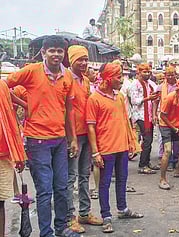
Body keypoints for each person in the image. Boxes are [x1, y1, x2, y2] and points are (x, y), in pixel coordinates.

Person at [7, 35, 80, 237]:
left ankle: (61, 228)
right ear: (43, 52)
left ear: (64, 54)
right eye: (52, 50)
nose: (56, 54)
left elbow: (69, 109)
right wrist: (24, 105)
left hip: (59, 140)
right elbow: (5, 86)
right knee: (45, 190)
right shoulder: (31, 72)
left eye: (60, 51)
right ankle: (46, 232)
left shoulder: (67, 77)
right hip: (37, 140)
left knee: (62, 187)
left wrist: (72, 138)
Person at [86, 63, 143, 233]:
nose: (121, 80)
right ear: (109, 78)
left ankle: (123, 209)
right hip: (105, 149)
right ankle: (106, 216)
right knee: (104, 183)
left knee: (122, 179)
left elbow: (125, 121)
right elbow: (90, 127)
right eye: (118, 77)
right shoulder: (94, 99)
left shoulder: (119, 96)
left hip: (122, 147)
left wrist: (131, 142)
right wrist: (95, 152)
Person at [66, 45, 103, 233]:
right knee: (71, 177)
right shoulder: (66, 79)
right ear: (71, 60)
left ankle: (84, 212)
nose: (83, 63)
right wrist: (72, 138)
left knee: (84, 176)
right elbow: (68, 111)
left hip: (86, 134)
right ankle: (70, 217)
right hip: (72, 136)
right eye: (79, 59)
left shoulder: (85, 81)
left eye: (86, 59)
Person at [0, 79, 27, 237]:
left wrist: (18, 155)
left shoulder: (2, 87)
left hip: (3, 155)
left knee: (0, 202)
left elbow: (11, 123)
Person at [126, 64, 159, 174]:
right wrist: (147, 98)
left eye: (148, 72)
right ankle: (142, 165)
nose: (147, 74)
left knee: (148, 141)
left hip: (149, 115)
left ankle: (147, 162)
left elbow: (155, 98)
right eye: (144, 72)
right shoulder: (134, 85)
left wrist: (154, 114)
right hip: (140, 116)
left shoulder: (151, 84)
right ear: (138, 73)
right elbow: (134, 101)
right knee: (147, 140)